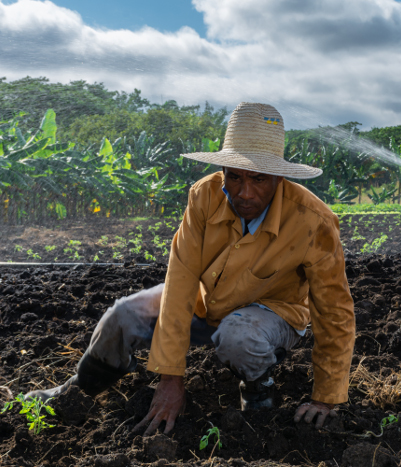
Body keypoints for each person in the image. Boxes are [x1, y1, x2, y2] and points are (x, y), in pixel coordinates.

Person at [25, 102, 355, 436]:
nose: (245, 192)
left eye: (259, 179)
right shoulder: (204, 196)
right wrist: (171, 378)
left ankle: (259, 397)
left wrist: (325, 398)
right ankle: (77, 390)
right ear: (223, 170)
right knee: (122, 315)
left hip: (272, 315)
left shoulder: (313, 222)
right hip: (206, 302)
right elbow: (180, 280)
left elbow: (335, 312)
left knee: (239, 336)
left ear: (278, 177)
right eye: (235, 176)